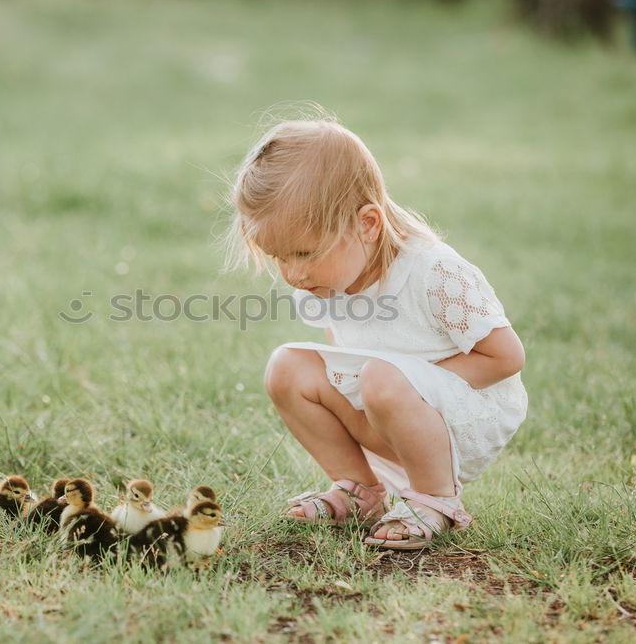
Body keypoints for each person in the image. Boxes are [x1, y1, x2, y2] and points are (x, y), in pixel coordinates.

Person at [224, 117, 527, 550]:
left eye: (305, 253)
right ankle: (360, 490)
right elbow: (344, 355)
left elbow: (505, 358)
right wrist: (381, 389)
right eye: (278, 257)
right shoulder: (322, 279)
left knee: (381, 375)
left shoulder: (434, 272)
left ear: (367, 224)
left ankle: (436, 499)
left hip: (462, 419)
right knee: (287, 367)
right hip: (382, 404)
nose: (292, 273)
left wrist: (410, 384)